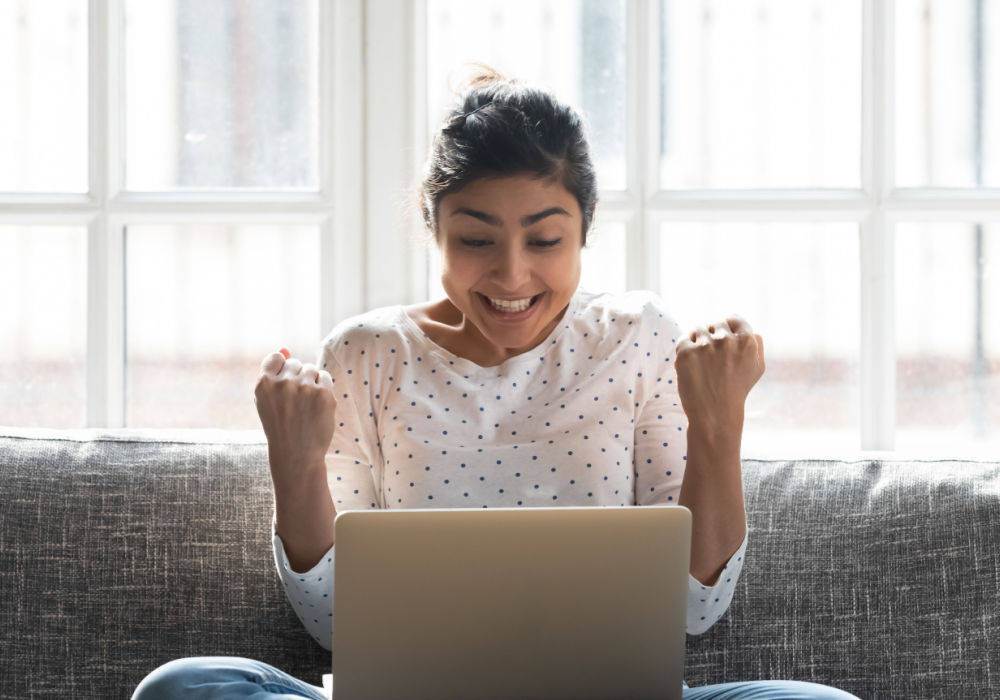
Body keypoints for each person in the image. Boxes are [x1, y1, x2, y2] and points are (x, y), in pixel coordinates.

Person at [133, 69, 859, 699]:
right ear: (434, 229)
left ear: (584, 232)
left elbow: (696, 608)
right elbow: (332, 625)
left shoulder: (640, 338)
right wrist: (292, 463)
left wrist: (719, 420)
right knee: (187, 688)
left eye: (545, 240)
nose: (512, 276)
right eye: (475, 240)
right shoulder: (366, 353)